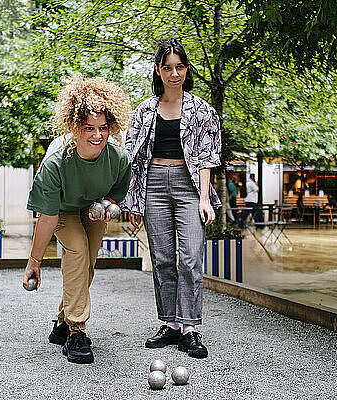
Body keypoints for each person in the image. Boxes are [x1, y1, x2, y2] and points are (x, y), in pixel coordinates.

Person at [122, 38, 221, 359]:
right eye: (167, 67)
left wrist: (204, 199)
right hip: (153, 185)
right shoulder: (145, 111)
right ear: (157, 70)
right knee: (162, 259)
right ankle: (170, 324)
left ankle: (190, 328)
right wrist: (133, 202)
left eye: (179, 67)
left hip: (188, 185)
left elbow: (207, 157)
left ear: (186, 69)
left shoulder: (203, 110)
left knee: (190, 257)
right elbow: (132, 158)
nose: (174, 73)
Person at [23, 76, 132, 364]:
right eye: (89, 128)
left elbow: (115, 196)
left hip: (91, 205)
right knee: (78, 250)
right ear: (74, 127)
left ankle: (61, 322)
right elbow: (47, 218)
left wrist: (108, 205)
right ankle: (75, 331)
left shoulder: (119, 158)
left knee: (88, 263)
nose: (97, 135)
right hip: (61, 209)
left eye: (103, 128)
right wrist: (34, 262)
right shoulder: (56, 162)